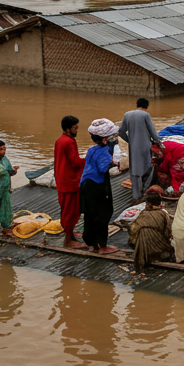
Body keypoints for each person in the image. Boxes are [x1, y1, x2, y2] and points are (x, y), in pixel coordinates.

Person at [81, 119, 120, 254]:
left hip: (87, 184)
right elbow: (103, 168)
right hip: (98, 185)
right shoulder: (104, 151)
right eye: (112, 137)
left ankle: (93, 244)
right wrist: (113, 163)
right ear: (104, 140)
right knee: (103, 213)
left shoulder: (92, 149)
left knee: (91, 214)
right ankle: (103, 246)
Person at [119, 98, 162, 203]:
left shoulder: (127, 115)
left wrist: (130, 140)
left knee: (134, 171)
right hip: (145, 147)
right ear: (146, 107)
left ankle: (136, 196)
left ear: (137, 105)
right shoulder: (145, 115)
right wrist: (160, 144)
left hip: (133, 148)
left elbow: (121, 132)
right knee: (148, 167)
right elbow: (153, 132)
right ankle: (145, 191)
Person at [53, 115, 85, 248]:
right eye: (74, 128)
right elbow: (76, 162)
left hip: (61, 179)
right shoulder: (70, 142)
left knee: (65, 208)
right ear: (67, 129)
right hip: (70, 180)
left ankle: (70, 234)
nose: (76, 131)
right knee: (70, 211)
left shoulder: (60, 140)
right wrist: (89, 159)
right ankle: (68, 241)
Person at [128, 190, 175, 271]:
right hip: (160, 249)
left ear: (148, 204)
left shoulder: (143, 214)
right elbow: (168, 232)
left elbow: (133, 229)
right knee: (169, 251)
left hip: (142, 249)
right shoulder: (164, 214)